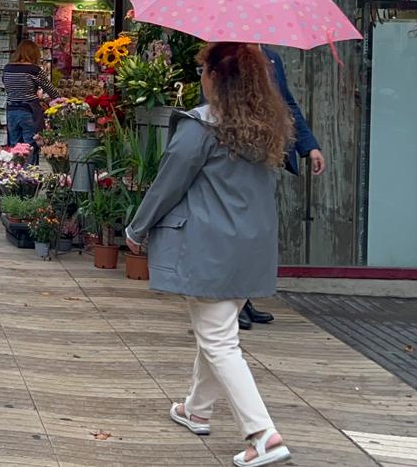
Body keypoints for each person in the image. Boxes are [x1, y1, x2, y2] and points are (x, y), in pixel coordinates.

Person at [124, 41, 295, 467]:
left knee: (219, 340)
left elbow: (168, 184)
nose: (200, 77)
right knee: (216, 331)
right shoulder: (265, 124)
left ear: (216, 77)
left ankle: (262, 433)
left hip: (209, 247)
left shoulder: (202, 128)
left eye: (203, 69)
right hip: (251, 245)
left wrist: (136, 228)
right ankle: (196, 409)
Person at [240, 46, 327, 330]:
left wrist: (308, 146)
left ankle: (244, 299)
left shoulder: (272, 57)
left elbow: (287, 103)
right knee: (239, 231)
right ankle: (233, 300)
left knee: (257, 233)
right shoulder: (227, 55)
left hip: (268, 155)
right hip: (237, 156)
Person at [2, 40, 57, 159]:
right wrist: (59, 101)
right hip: (29, 111)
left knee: (15, 146)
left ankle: (14, 173)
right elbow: (51, 90)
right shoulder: (34, 70)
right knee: (30, 146)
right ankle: (30, 175)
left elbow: (6, 86)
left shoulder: (7, 68)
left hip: (11, 111)